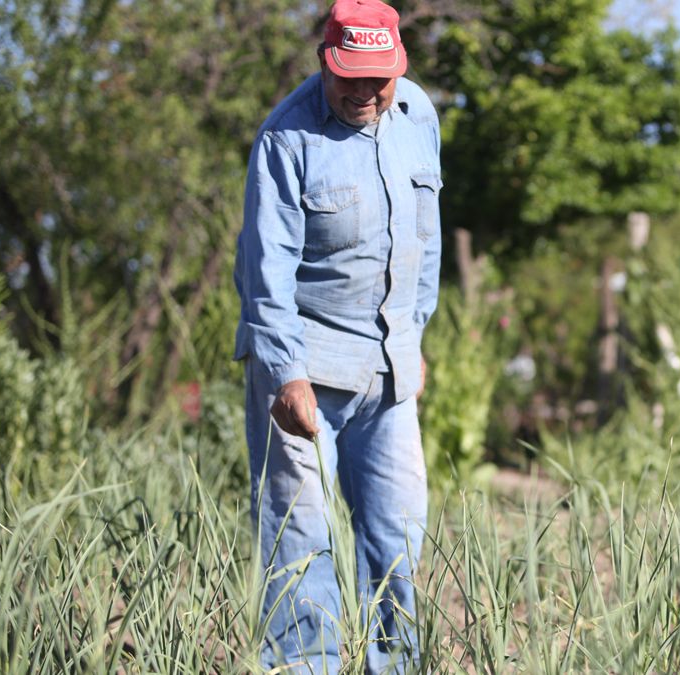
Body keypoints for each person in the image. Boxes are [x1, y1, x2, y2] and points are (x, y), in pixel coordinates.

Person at [233, 0, 441, 670]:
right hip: (305, 373)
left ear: (398, 67)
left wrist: (414, 336)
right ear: (327, 60)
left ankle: (395, 666)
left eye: (378, 78)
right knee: (301, 543)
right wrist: (285, 376)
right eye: (350, 75)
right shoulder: (286, 139)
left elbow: (425, 239)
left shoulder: (416, 117)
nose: (364, 92)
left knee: (400, 535)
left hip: (388, 369)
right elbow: (265, 274)